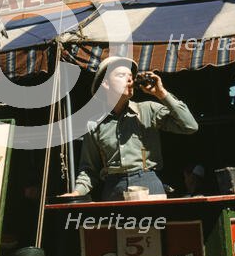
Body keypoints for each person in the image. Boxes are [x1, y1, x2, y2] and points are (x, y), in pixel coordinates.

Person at [61, 56, 199, 201]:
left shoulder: (148, 110)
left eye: (131, 76)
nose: (129, 80)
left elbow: (189, 126)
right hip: (113, 189)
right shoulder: (94, 124)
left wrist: (161, 93)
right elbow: (89, 170)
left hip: (148, 184)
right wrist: (77, 193)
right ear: (105, 83)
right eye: (121, 75)